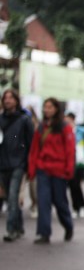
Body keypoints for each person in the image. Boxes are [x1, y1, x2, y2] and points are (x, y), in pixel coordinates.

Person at [28, 97, 75, 244]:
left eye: (50, 107)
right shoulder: (41, 127)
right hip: (43, 170)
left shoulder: (64, 127)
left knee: (60, 202)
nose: (47, 110)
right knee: (43, 201)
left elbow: (70, 149)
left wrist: (69, 169)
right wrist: (32, 168)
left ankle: (68, 225)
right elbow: (35, 149)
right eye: (45, 107)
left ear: (56, 109)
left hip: (59, 171)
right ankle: (44, 233)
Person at [0, 89, 34, 242]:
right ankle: (19, 227)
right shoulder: (1, 119)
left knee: (13, 197)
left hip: (18, 164)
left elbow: (31, 142)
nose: (7, 100)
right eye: (5, 98)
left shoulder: (24, 119)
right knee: (9, 197)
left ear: (16, 100)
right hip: (3, 164)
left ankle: (11, 230)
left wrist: (28, 163)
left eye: (10, 97)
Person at [65, 112, 84, 218]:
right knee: (72, 186)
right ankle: (76, 208)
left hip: (80, 162)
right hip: (69, 161)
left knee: (76, 185)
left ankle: (81, 206)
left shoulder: (81, 131)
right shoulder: (64, 131)